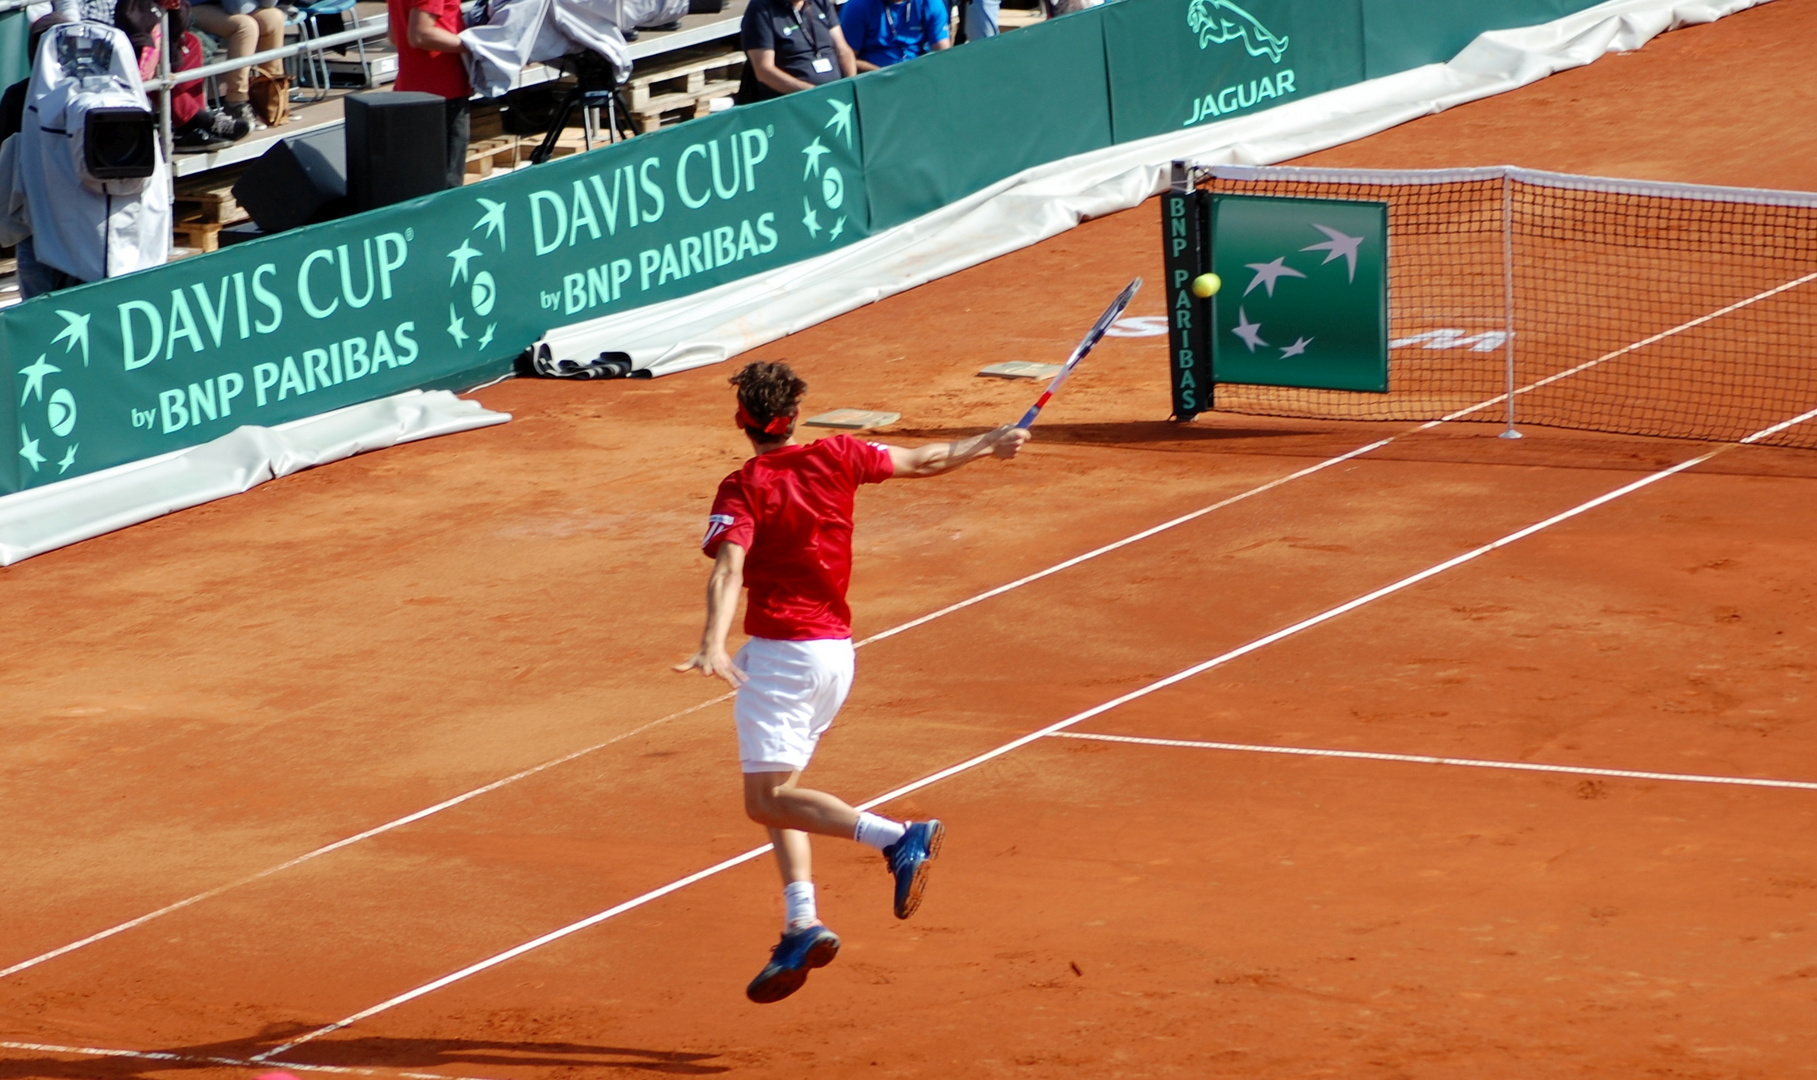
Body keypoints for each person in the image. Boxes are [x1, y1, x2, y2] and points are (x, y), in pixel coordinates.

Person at [676, 361, 1030, 1004]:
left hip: (787, 659)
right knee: (781, 793)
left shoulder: (742, 486)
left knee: (765, 801)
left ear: (744, 423)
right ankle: (800, 922)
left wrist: (710, 642)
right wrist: (988, 441)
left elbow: (729, 571)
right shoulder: (840, 455)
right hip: (833, 656)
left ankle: (897, 837)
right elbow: (925, 461)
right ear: (793, 419)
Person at [388, 0, 470, 190]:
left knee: (417, 181)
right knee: (446, 184)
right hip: (444, 94)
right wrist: (479, 46)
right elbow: (420, 35)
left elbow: (394, 35)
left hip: (408, 89)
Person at [185, 0, 284, 130]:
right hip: (188, 8)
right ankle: (236, 102)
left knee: (273, 18)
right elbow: (236, 7)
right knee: (245, 26)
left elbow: (268, 4)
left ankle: (273, 101)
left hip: (225, 5)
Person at [734, 0, 855, 104]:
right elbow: (764, 71)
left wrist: (851, 86)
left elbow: (843, 50)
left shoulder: (820, 2)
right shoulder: (760, 10)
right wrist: (813, 93)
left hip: (836, 97)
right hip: (792, 104)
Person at [838, 0, 947, 71]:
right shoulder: (858, 6)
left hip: (918, 74)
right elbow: (846, 58)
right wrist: (880, 73)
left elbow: (943, 54)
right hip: (873, 80)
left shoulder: (930, 3)